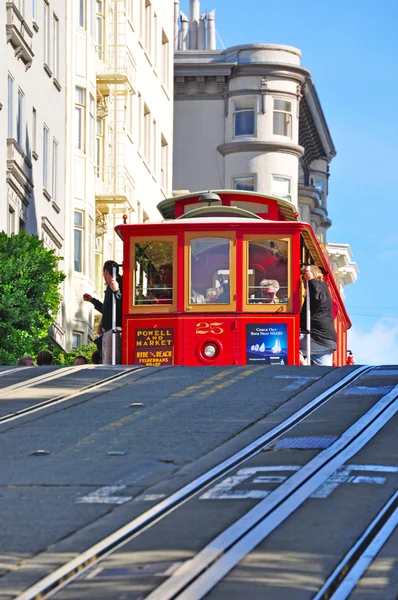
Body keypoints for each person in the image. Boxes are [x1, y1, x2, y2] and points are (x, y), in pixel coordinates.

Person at [83, 260, 122, 365]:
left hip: (114, 331)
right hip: (108, 332)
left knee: (110, 366)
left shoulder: (119, 285)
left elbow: (123, 306)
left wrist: (116, 291)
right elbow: (107, 310)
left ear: (105, 272)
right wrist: (92, 300)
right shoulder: (110, 287)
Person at [300, 265, 337, 366]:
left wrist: (310, 279)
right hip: (327, 340)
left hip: (317, 337)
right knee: (324, 371)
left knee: (290, 346)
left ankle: (304, 369)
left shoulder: (319, 287)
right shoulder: (324, 288)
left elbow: (318, 297)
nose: (302, 280)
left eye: (303, 277)